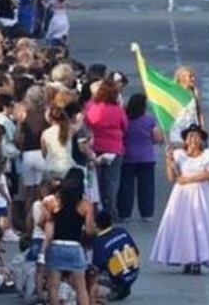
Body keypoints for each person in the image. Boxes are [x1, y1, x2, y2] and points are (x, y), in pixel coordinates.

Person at [150, 125, 209, 274]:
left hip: (199, 194)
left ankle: (198, 259)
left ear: (201, 140)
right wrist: (168, 162)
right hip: (181, 196)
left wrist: (188, 180)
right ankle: (185, 258)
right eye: (190, 137)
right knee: (183, 225)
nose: (193, 140)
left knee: (198, 224)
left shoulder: (207, 155)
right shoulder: (179, 155)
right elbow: (172, 178)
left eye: (196, 137)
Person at [42, 169, 95, 305]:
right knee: (81, 287)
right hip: (74, 247)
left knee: (53, 286)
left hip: (56, 245)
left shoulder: (54, 202)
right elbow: (89, 231)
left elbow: (46, 223)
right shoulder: (85, 205)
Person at [84, 80, 127, 222]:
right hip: (114, 148)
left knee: (96, 181)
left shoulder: (90, 107)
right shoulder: (117, 110)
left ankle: (97, 210)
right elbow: (125, 126)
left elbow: (86, 125)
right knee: (112, 181)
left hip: (95, 146)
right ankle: (111, 211)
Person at [118, 93, 163, 222]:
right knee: (147, 187)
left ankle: (125, 212)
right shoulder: (149, 120)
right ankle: (146, 213)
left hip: (127, 156)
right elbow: (157, 137)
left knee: (126, 187)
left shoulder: (125, 119)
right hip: (146, 157)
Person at [91, 211, 140, 300]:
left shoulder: (99, 241)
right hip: (134, 273)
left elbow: (97, 266)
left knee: (91, 276)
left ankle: (114, 289)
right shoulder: (122, 231)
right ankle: (124, 286)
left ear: (95, 224)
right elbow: (136, 251)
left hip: (118, 278)